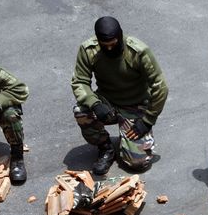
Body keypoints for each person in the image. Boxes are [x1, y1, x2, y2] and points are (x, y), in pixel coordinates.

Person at [71, 16, 168, 175]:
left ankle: (130, 139)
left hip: (135, 104)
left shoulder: (138, 51)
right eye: (105, 45)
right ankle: (105, 148)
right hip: (107, 102)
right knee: (81, 111)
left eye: (113, 44)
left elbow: (160, 86)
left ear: (120, 36)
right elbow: (79, 82)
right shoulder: (89, 50)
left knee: (138, 163)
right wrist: (95, 103)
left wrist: (148, 120)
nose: (109, 49)